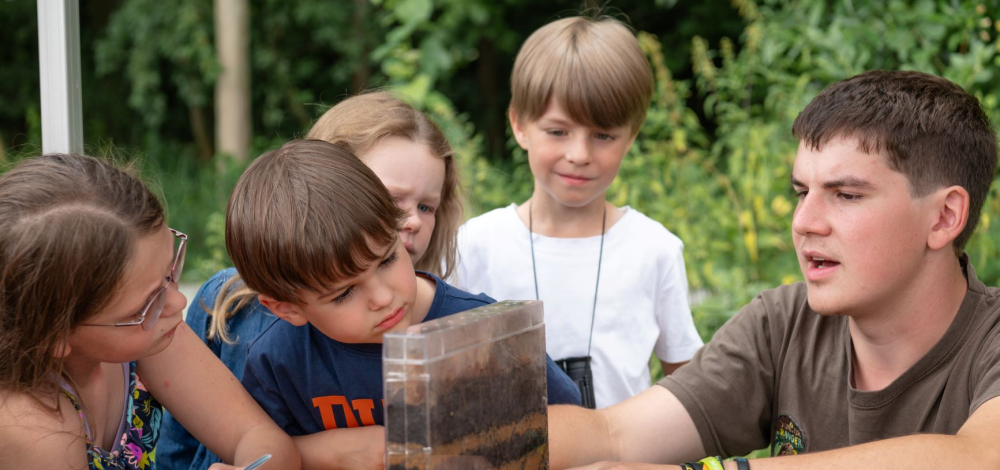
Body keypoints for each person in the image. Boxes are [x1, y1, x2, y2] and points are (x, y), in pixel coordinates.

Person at [548, 70, 1000, 470]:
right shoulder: (782, 324)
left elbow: (980, 458)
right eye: (802, 191)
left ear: (943, 217)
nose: (803, 222)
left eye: (847, 195)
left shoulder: (990, 339)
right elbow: (612, 436)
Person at [215, 140, 578, 470]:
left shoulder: (484, 331)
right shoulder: (275, 362)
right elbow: (259, 450)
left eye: (387, 260)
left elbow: (571, 424)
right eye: (343, 293)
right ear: (287, 309)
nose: (383, 297)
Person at [158, 91, 464, 469]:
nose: (413, 220)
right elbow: (195, 451)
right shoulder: (243, 314)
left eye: (425, 206)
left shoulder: (448, 310)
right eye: (391, 198)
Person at [452, 16, 703, 409]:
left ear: (631, 136)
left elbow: (689, 385)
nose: (580, 155)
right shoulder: (474, 246)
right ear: (519, 125)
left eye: (603, 135)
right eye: (558, 131)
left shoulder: (655, 250)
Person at [0, 153, 300, 470]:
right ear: (54, 335)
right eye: (148, 302)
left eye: (170, 272)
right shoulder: (32, 429)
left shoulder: (147, 333)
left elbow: (257, 436)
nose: (177, 303)